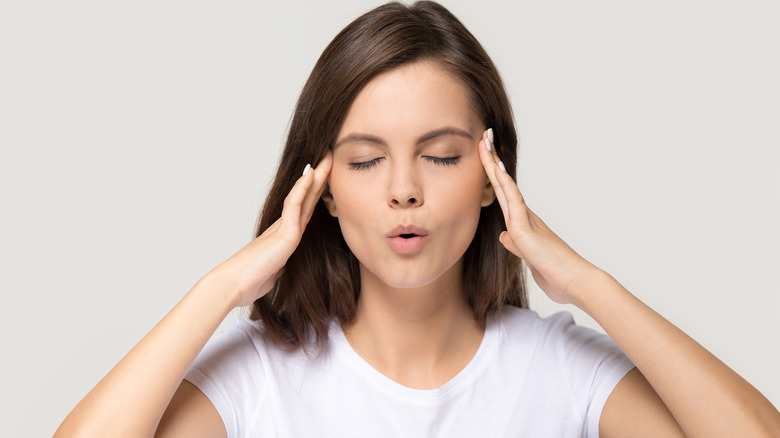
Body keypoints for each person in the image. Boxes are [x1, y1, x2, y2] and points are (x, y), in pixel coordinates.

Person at [55, 2, 780, 437]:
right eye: (367, 161)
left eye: (439, 155)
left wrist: (586, 283)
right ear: (325, 190)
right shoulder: (260, 380)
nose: (405, 190)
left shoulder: (557, 368)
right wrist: (220, 289)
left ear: (493, 178)